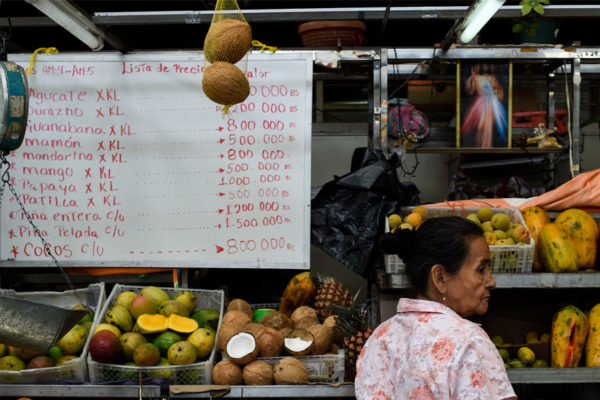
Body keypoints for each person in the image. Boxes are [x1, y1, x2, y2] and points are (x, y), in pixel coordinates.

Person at [355, 216, 516, 400]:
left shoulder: (379, 339)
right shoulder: (469, 342)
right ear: (440, 278)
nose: (491, 281)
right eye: (481, 269)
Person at [461, 62, 508, 148]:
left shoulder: (493, 78)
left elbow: (499, 91)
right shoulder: (476, 77)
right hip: (480, 104)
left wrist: (495, 91)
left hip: (492, 104)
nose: (485, 67)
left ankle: (486, 146)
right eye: (483, 65)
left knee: (488, 127)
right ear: (480, 66)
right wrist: (471, 77)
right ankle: (479, 146)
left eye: (487, 65)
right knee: (480, 127)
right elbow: (469, 91)